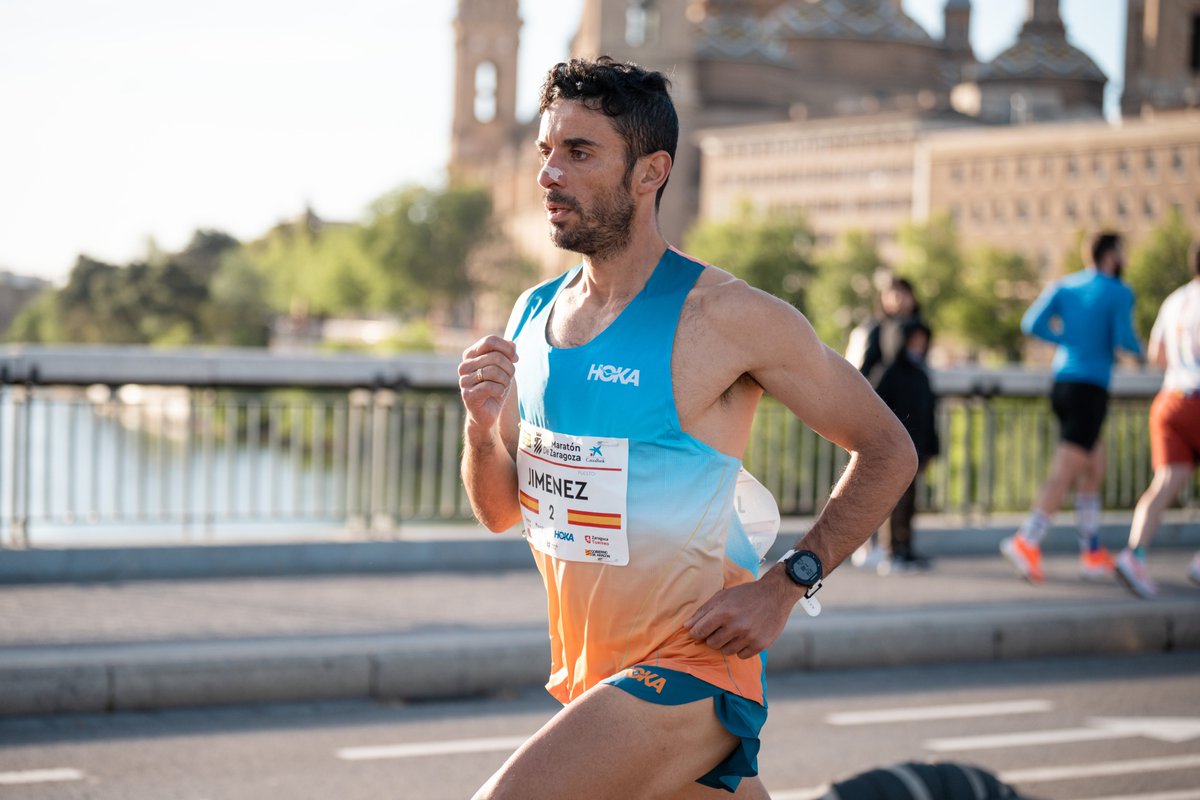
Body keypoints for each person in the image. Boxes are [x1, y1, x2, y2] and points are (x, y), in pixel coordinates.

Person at [458, 57, 917, 799]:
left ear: (651, 172)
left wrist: (786, 584)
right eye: (546, 151)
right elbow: (500, 511)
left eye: (579, 153)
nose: (548, 173)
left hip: (692, 668)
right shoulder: (530, 316)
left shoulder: (726, 317)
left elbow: (888, 449)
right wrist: (482, 433)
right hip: (594, 677)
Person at [1000, 232, 1143, 584]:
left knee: (1094, 465)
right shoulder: (1119, 291)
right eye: (1122, 251)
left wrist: (1067, 339)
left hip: (1062, 383)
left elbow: (1030, 323)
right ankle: (1026, 540)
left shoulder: (1064, 286)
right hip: (1091, 387)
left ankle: (1092, 551)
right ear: (1111, 255)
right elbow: (1124, 337)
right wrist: (1145, 351)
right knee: (1065, 471)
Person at [1115, 242, 1200, 598]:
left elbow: (1156, 353)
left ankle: (1134, 555)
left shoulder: (1175, 299)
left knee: (1165, 482)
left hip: (1168, 399)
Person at [872, 319, 940, 574]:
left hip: (918, 449)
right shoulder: (888, 372)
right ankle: (892, 550)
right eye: (914, 340)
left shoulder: (922, 372)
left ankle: (906, 548)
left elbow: (930, 414)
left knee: (910, 502)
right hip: (894, 448)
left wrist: (933, 447)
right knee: (894, 501)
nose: (918, 346)